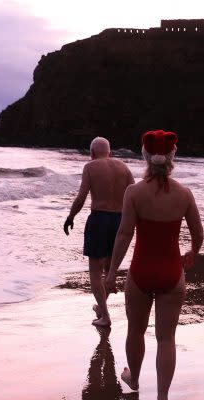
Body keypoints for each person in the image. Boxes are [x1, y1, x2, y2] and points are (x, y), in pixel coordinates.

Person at [105, 130, 203, 400]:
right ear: (172, 158)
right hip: (172, 272)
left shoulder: (134, 192)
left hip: (140, 271)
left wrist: (111, 272)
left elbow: (124, 235)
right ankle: (162, 399)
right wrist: (192, 253)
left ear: (145, 157)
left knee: (136, 330)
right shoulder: (184, 194)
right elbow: (198, 233)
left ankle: (134, 379)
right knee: (166, 338)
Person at [63, 136, 134, 327]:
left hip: (99, 220)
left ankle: (105, 316)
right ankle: (101, 308)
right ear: (109, 152)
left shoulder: (90, 167)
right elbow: (135, 194)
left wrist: (71, 217)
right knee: (109, 271)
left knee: (95, 273)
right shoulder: (123, 167)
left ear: (92, 153)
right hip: (120, 221)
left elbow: (81, 197)